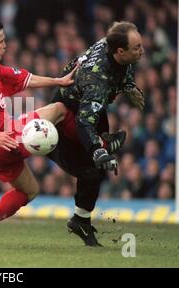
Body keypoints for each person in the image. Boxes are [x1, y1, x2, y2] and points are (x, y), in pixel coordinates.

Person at [0, 17, 77, 245]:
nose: (5, 45)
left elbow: (25, 79)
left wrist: (57, 81)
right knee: (59, 109)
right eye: (1, 41)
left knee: (30, 191)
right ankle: (95, 147)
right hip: (1, 138)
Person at [46, 21, 144, 246]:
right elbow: (83, 123)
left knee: (96, 169)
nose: (142, 50)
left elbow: (121, 66)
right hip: (69, 114)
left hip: (92, 108)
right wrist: (98, 150)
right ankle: (80, 220)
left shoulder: (114, 45)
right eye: (137, 48)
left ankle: (80, 219)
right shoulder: (97, 80)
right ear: (120, 51)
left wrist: (128, 85)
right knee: (91, 169)